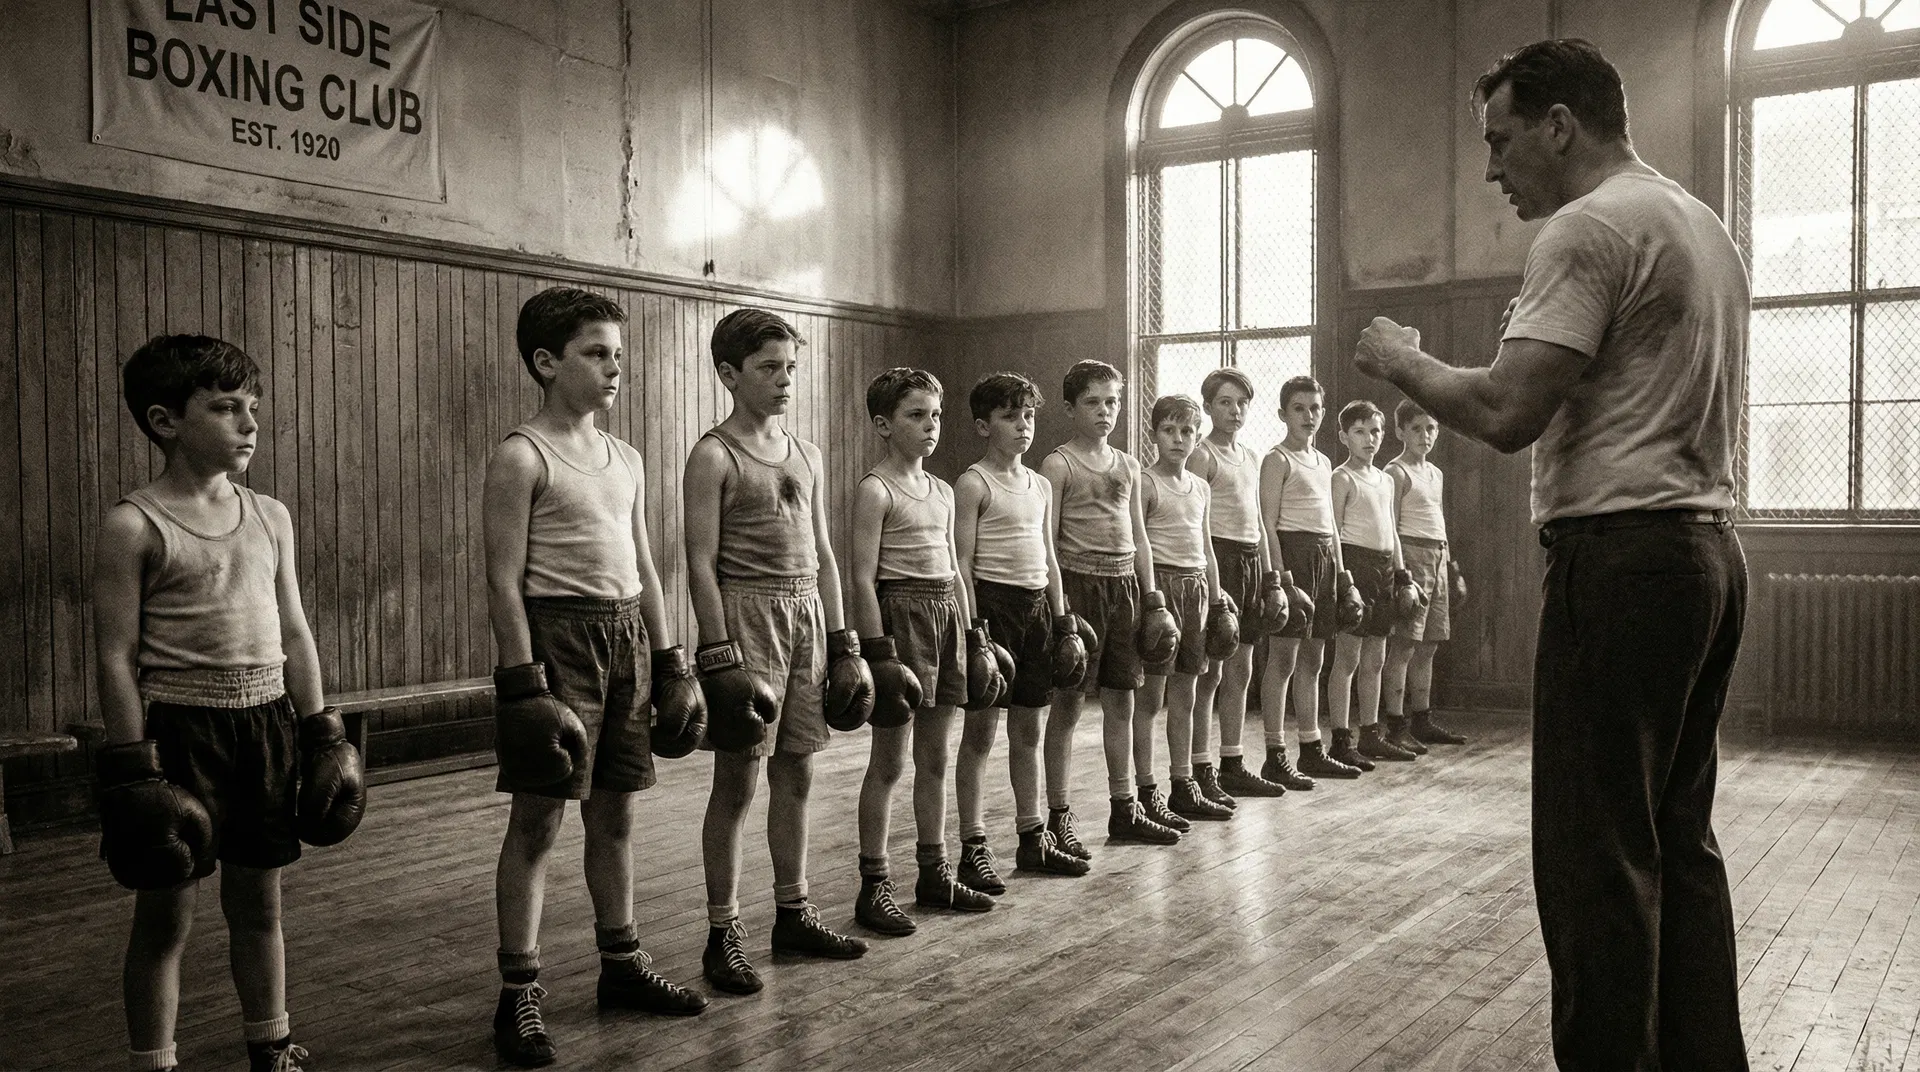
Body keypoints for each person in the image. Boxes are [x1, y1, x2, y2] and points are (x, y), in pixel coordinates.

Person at [1354, 38, 1750, 1072]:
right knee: (1675, 842)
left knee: (1595, 860)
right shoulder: (1699, 222)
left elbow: (1503, 408)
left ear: (1560, 125)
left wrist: (1402, 359)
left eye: (1500, 139)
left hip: (1621, 560)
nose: (1491, 169)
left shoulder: (1590, 226)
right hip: (1706, 554)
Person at [93, 334, 364, 1072]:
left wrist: (322, 731)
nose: (249, 424)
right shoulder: (133, 524)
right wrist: (135, 771)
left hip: (267, 725)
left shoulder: (269, 514)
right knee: (165, 915)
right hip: (179, 732)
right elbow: (115, 656)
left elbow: (295, 629)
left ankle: (270, 1043)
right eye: (225, 409)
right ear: (165, 420)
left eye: (253, 408)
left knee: (260, 903)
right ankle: (154, 1060)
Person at [483, 288, 707, 1067]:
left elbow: (644, 565)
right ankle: (519, 996)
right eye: (595, 352)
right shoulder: (522, 454)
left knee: (616, 815)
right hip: (557, 641)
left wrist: (671, 656)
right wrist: (524, 683)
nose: (615, 367)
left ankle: (621, 964)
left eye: (618, 352)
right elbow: (503, 580)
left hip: (627, 642)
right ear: (547, 362)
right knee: (539, 821)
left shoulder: (627, 455)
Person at [685, 308, 869, 998]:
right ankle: (722, 933)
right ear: (730, 374)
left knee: (798, 771)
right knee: (736, 782)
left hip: (807, 617)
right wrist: (718, 656)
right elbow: (699, 563)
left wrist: (845, 640)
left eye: (790, 366)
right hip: (746, 615)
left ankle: (793, 913)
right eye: (768, 367)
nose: (784, 379)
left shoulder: (807, 452)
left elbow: (823, 550)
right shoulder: (714, 455)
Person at [848, 367, 996, 937]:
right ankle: (874, 884)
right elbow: (862, 578)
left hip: (946, 621)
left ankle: (934, 871)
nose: (930, 425)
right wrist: (877, 653)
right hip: (898, 622)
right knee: (889, 761)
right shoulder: (875, 489)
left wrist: (973, 633)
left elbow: (958, 570)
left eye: (936, 415)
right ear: (884, 424)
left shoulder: (941, 490)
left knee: (936, 756)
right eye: (916, 415)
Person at [1039, 360, 1182, 851]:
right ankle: (1058, 816)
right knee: (1069, 705)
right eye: (1093, 402)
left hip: (1124, 589)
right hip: (1077, 588)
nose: (1105, 412)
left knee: (1124, 699)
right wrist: (1060, 612)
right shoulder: (1058, 464)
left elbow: (1140, 537)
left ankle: (1125, 808)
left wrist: (1153, 598)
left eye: (1113, 402)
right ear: (1070, 407)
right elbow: (1048, 542)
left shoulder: (1128, 464)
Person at [953, 373, 1091, 879]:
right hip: (991, 611)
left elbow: (1050, 557)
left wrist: (1063, 620)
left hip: (1036, 611)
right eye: (1010, 416)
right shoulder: (972, 482)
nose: (1022, 425)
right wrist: (974, 634)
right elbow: (961, 565)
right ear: (982, 426)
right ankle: (973, 846)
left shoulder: (1039, 483)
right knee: (980, 735)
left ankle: (1033, 837)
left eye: (1028, 415)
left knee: (1029, 731)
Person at [1187, 369, 1291, 801]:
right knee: (1209, 671)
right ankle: (1199, 767)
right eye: (1226, 402)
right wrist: (1213, 586)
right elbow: (1193, 525)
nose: (1235, 410)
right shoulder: (1202, 455)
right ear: (1209, 406)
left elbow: (1262, 526)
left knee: (1243, 667)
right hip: (1218, 562)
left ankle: (1232, 761)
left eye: (1242, 403)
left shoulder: (1250, 457)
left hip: (1250, 562)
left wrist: (1270, 577)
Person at [1136, 395, 1233, 824]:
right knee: (1151, 697)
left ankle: (1184, 784)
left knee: (1188, 693)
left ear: (1197, 436)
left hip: (1196, 588)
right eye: (1169, 430)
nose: (1178, 439)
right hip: (1161, 589)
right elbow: (1139, 547)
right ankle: (1144, 791)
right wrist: (1151, 598)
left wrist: (1216, 597)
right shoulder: (1146, 482)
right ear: (1154, 434)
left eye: (1187, 431)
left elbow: (1207, 549)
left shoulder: (1201, 487)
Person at [1258, 377, 1358, 782]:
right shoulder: (1277, 459)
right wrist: (1280, 579)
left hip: (1325, 561)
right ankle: (1273, 752)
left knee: (1315, 658)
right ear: (1283, 414)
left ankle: (1311, 747)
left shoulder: (1323, 462)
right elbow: (1267, 522)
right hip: (1292, 557)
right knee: (1283, 658)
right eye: (1300, 408)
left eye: (1315, 408)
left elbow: (1332, 525)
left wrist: (1344, 574)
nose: (1309, 416)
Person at [1325, 400, 1418, 769]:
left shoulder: (1386, 479)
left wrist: (1402, 575)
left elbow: (1392, 531)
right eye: (1360, 431)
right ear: (1344, 435)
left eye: (1376, 431)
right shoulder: (1342, 477)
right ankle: (1340, 739)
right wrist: (1344, 578)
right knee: (1347, 657)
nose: (1369, 439)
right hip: (1354, 566)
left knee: (1376, 658)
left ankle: (1370, 734)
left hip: (1382, 568)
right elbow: (1332, 531)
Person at [1381, 400, 1470, 753]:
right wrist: (1402, 574)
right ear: (1401, 431)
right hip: (1411, 557)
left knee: (1429, 645)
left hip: (1438, 555)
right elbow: (1390, 526)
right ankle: (1395, 725)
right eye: (1416, 428)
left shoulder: (1436, 473)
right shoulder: (1396, 471)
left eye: (1431, 428)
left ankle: (1422, 718)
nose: (1425, 435)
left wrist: (1452, 565)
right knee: (1404, 644)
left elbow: (1440, 520)